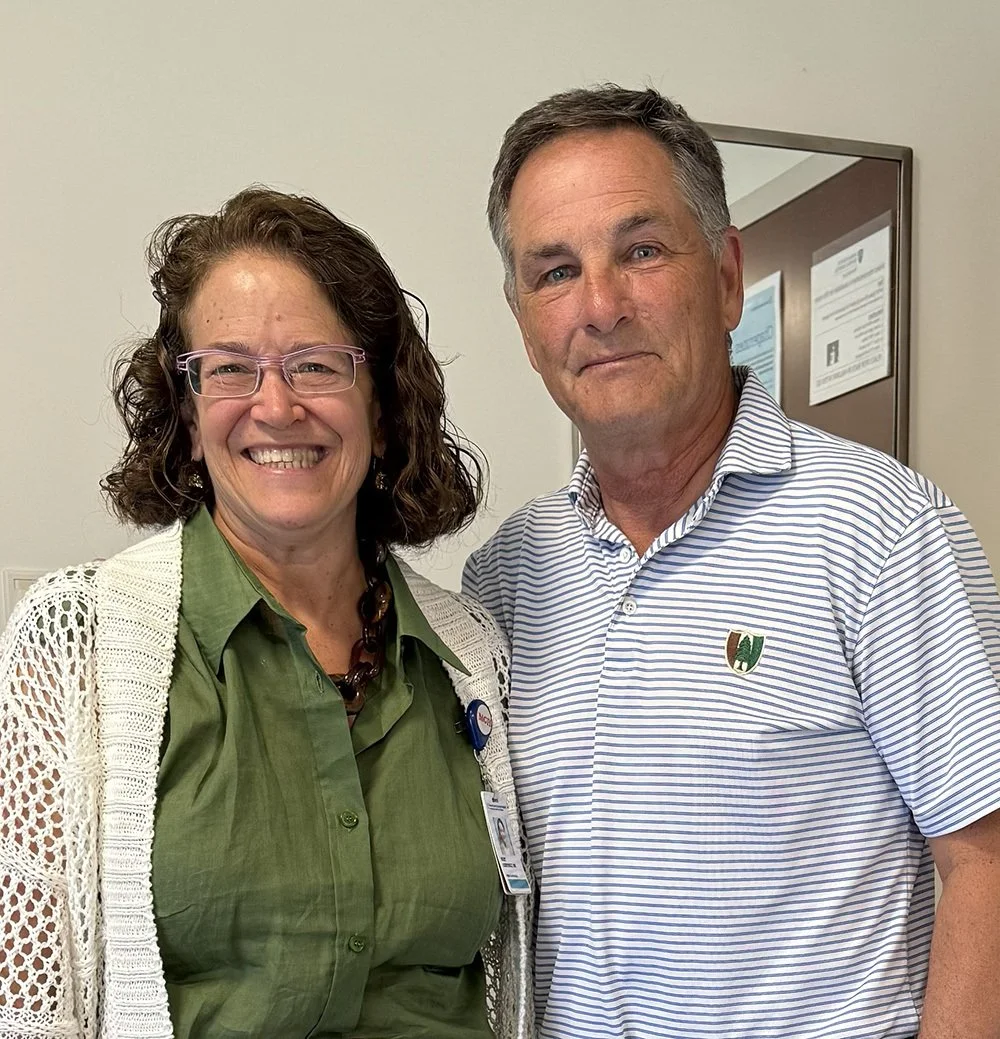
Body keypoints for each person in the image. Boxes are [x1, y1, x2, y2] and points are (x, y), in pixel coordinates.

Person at [464, 84, 1000, 1039]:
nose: (600, 306)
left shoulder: (880, 528)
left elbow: (987, 857)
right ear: (524, 323)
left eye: (640, 251)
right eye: (553, 272)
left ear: (724, 276)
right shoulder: (507, 574)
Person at [0, 187, 533, 1038]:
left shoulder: (473, 656)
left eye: (317, 364)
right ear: (187, 405)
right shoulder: (76, 647)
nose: (276, 406)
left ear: (384, 403)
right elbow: (24, 1007)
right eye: (231, 367)